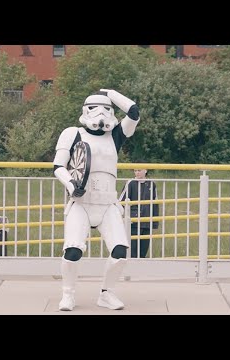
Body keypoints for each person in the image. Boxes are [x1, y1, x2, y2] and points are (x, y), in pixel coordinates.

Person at [52, 89, 140, 311]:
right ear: (85, 110)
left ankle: (106, 293)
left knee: (120, 251)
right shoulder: (73, 133)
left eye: (106, 109)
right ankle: (68, 294)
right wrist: (72, 185)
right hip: (81, 202)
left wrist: (110, 92)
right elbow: (58, 166)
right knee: (73, 250)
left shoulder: (116, 136)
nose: (100, 113)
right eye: (95, 108)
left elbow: (133, 111)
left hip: (108, 203)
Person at [120, 166, 159, 258]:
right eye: (135, 171)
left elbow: (155, 203)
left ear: (146, 170)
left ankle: (140, 270)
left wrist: (155, 222)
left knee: (143, 250)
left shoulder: (152, 184)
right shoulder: (130, 183)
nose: (137, 173)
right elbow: (121, 201)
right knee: (132, 250)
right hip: (134, 222)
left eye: (139, 170)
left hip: (147, 222)